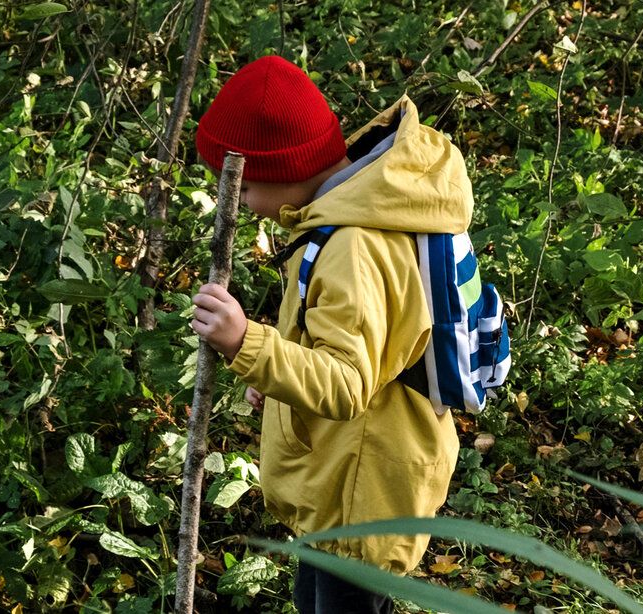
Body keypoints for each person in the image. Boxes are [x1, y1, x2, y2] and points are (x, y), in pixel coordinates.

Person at [189, 55, 471, 614]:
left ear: (279, 168)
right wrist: (278, 371)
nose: (239, 201)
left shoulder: (353, 245)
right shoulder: (340, 216)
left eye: (242, 186)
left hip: (361, 497)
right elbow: (344, 343)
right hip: (341, 484)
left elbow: (345, 383)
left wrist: (246, 341)